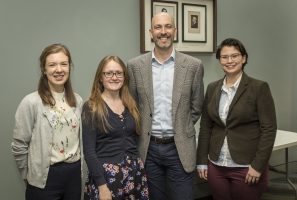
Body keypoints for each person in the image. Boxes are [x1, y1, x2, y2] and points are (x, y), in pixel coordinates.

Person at [127, 12, 204, 200]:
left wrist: (180, 126)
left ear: (175, 31)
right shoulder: (135, 66)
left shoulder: (193, 65)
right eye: (158, 27)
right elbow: (133, 106)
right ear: (151, 32)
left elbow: (196, 107)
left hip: (180, 149)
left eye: (168, 26)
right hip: (148, 149)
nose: (163, 32)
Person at [196, 38, 277, 200]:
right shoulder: (213, 88)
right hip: (217, 166)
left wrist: (258, 166)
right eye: (224, 57)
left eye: (235, 56)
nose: (230, 61)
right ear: (219, 60)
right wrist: (202, 161)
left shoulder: (258, 88)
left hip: (246, 167)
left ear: (244, 58)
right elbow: (205, 127)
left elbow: (268, 129)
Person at [11, 43, 83, 200]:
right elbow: (19, 145)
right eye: (52, 65)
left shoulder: (77, 100)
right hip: (44, 177)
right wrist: (30, 176)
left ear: (69, 67)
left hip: (74, 174)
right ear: (44, 69)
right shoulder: (31, 102)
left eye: (64, 64)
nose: (59, 69)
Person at [82, 56, 149, 200]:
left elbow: (136, 140)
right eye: (109, 73)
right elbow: (89, 152)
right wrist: (102, 186)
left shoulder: (131, 105)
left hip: (134, 174)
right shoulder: (91, 107)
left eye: (119, 73)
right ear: (100, 77)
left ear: (124, 77)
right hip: (106, 178)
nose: (114, 77)